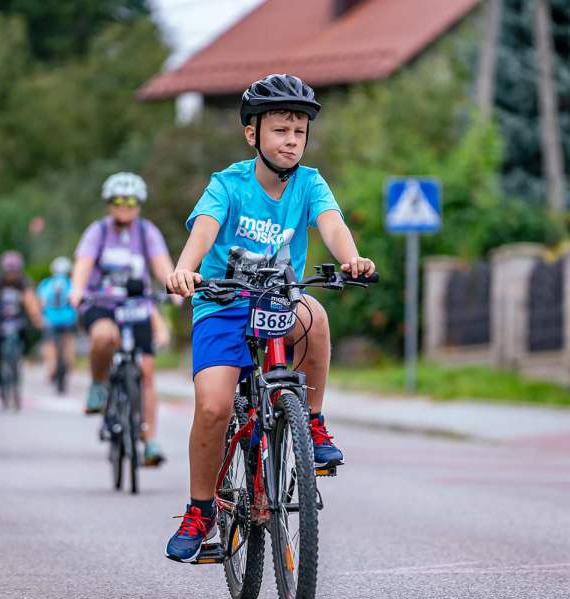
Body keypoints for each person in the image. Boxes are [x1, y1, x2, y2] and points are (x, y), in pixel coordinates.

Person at [164, 74, 376, 563]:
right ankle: (201, 511)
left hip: (279, 302)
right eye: (280, 130)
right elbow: (205, 228)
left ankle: (314, 425)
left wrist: (353, 258)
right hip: (221, 303)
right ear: (252, 133)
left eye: (299, 132)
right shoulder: (228, 184)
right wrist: (184, 269)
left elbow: (332, 224)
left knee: (316, 315)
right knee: (215, 407)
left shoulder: (310, 183)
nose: (291, 141)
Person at [69, 171, 178, 466]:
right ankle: (97, 384)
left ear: (140, 203)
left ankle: (150, 441)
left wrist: (174, 288)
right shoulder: (99, 232)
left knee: (147, 370)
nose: (125, 206)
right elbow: (83, 264)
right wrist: (77, 289)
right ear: (109, 203)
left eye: (131, 201)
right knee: (104, 337)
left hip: (137, 305)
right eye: (119, 201)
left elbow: (162, 265)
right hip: (101, 304)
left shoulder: (147, 232)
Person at [0, 250, 43, 392]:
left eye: (15, 271)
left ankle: (19, 360)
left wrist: (37, 318)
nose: (12, 275)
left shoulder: (23, 281)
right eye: (9, 271)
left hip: (18, 318)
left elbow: (30, 300)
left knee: (26, 334)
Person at [37, 256, 77, 386]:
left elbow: (41, 303)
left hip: (51, 318)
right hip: (68, 318)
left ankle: (51, 369)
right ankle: (69, 365)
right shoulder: (72, 283)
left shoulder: (46, 283)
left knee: (50, 344)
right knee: (68, 341)